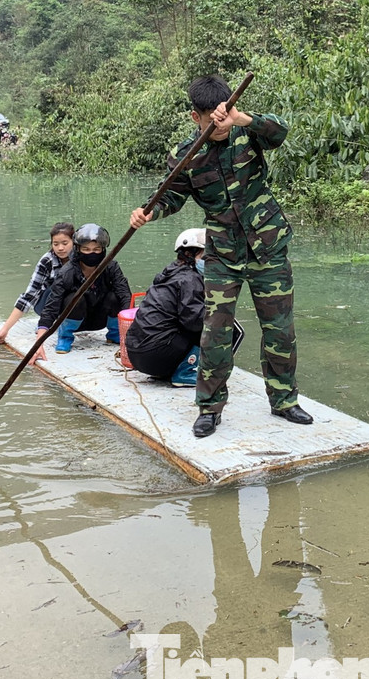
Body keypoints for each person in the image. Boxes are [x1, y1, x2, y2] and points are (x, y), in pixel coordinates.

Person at [130, 75, 312, 438]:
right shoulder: (186, 156)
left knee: (280, 330)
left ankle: (284, 400)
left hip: (268, 245)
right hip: (222, 255)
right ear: (194, 116)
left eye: (223, 113)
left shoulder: (248, 133)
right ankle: (209, 408)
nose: (217, 123)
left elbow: (280, 132)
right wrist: (149, 212)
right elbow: (171, 196)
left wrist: (242, 118)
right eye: (209, 117)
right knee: (214, 333)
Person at [124, 227, 244, 387]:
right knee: (218, 324)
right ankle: (186, 373)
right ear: (189, 254)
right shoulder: (190, 280)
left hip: (137, 355)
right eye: (206, 256)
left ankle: (178, 369)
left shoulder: (170, 273)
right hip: (155, 355)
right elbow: (195, 321)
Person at [37, 223, 131, 353]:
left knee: (113, 297)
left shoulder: (111, 267)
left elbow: (124, 293)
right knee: (75, 299)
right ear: (78, 249)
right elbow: (52, 306)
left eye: (96, 249)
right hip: (75, 318)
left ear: (103, 250)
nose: (91, 253)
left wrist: (130, 327)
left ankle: (115, 334)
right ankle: (65, 337)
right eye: (86, 249)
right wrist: (39, 342)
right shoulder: (67, 272)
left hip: (100, 319)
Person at [0, 222, 74, 346]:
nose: (60, 248)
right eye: (55, 244)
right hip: (47, 303)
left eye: (65, 243)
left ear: (74, 242)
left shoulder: (81, 258)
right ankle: (48, 323)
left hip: (74, 304)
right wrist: (5, 330)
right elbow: (28, 296)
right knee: (56, 289)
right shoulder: (47, 261)